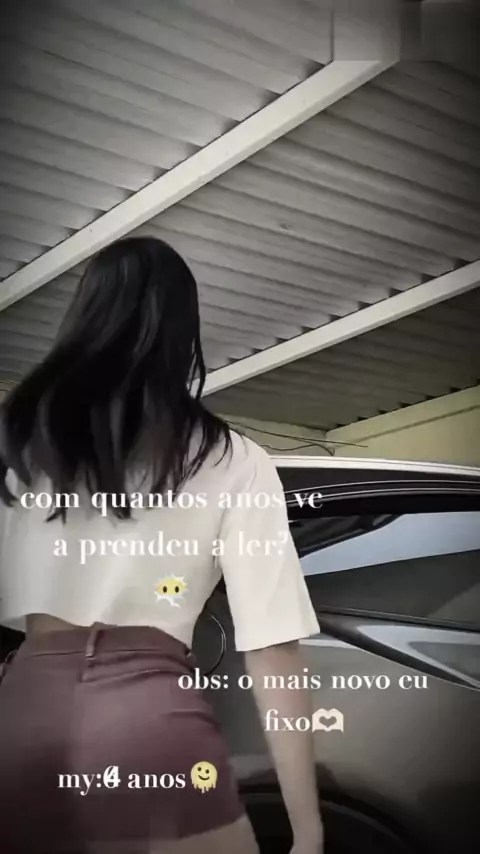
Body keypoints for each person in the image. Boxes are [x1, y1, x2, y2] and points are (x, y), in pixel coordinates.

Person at [0, 236, 324, 854]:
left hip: (21, 714)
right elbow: (273, 648)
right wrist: (307, 828)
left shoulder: (15, 443)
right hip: (151, 716)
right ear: (183, 330)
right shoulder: (233, 460)